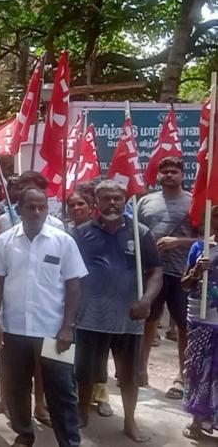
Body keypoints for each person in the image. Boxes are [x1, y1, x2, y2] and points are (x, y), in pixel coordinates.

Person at [0, 187, 87, 446]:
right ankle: (23, 434)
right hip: (14, 330)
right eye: (31, 207)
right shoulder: (4, 241)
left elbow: (74, 287)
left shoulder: (63, 241)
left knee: (62, 390)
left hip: (54, 333)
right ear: (19, 209)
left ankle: (69, 441)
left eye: (42, 206)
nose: (37, 212)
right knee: (16, 386)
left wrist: (68, 327)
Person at [73, 179, 163, 443]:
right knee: (86, 372)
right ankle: (82, 412)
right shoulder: (81, 232)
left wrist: (146, 301)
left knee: (129, 376)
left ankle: (129, 421)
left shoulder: (141, 233)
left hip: (129, 318)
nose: (112, 203)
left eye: (117, 198)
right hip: (90, 317)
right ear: (96, 203)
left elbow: (156, 271)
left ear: (125, 201)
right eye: (106, 199)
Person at [137, 156, 195, 397]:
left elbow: (209, 239)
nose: (169, 175)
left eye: (174, 171)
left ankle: (182, 377)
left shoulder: (194, 202)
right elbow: (135, 233)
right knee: (148, 321)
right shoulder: (145, 202)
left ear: (182, 175)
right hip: (152, 274)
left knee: (184, 327)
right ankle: (139, 371)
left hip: (184, 274)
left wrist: (179, 242)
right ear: (158, 175)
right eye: (165, 171)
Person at [65, 185, 113, 418]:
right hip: (72, 299)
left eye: (80, 204)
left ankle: (101, 395)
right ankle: (74, 394)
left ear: (91, 207)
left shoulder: (101, 231)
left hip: (98, 300)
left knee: (99, 353)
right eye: (71, 205)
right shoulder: (65, 232)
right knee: (76, 351)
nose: (76, 208)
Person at [180, 205, 218, 439]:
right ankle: (197, 419)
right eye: (217, 215)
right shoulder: (200, 247)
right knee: (197, 370)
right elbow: (184, 284)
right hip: (201, 319)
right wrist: (196, 271)